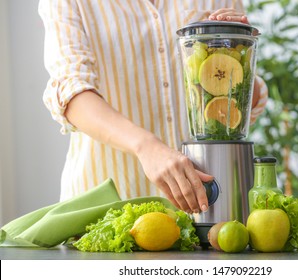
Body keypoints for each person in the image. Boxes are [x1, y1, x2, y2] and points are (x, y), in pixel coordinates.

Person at [38, 0, 268, 214]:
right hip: (108, 209)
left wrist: (240, 50)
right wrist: (147, 147)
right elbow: (72, 93)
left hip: (206, 210)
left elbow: (234, 104)